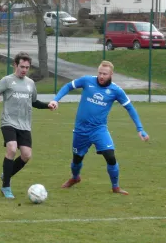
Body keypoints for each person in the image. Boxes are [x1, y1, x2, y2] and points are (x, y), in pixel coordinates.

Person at [49, 60, 149, 195]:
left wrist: (140, 128)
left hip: (99, 129)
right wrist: (56, 99)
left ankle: (115, 187)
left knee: (110, 156)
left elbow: (130, 108)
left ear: (111, 74)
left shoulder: (116, 90)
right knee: (77, 158)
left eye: (105, 74)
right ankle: (75, 177)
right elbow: (68, 86)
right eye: (100, 73)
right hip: (81, 129)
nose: (101, 76)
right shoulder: (87, 81)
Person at [0, 52, 54, 199]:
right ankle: (6, 186)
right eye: (22, 66)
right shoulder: (7, 80)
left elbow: (34, 102)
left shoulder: (30, 83)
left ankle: (6, 175)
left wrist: (47, 105)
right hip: (8, 122)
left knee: (26, 155)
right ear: (15, 65)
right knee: (11, 148)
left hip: (24, 124)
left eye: (27, 67)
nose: (24, 70)